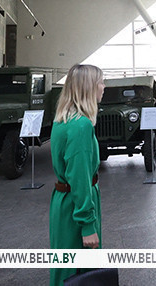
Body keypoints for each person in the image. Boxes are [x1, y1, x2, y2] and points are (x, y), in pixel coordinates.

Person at [49, 64, 106, 286]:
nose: (103, 87)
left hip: (64, 203)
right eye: (101, 82)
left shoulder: (63, 120)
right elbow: (80, 179)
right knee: (82, 274)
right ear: (89, 87)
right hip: (76, 206)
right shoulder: (81, 126)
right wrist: (88, 225)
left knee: (65, 269)